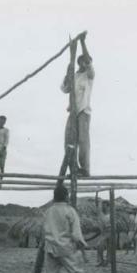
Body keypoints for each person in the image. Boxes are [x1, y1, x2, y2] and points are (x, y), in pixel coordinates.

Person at [42, 185, 88, 273]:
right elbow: (76, 234)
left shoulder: (48, 211)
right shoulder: (70, 211)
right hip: (66, 247)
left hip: (50, 247)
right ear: (67, 196)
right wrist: (82, 247)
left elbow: (44, 230)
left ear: (54, 196)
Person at [61, 32, 95, 177]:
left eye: (86, 62)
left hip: (83, 111)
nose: (85, 63)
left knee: (83, 141)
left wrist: (82, 42)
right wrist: (67, 75)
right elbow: (64, 89)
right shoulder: (74, 76)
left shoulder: (89, 75)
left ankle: (84, 169)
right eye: (82, 61)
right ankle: (73, 168)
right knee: (69, 140)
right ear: (78, 62)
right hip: (73, 112)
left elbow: (88, 60)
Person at [96, 200, 111, 266]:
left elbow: (113, 224)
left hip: (110, 232)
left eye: (104, 206)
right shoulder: (101, 214)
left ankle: (107, 261)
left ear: (108, 206)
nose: (102, 207)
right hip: (104, 233)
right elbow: (97, 206)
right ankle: (101, 260)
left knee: (109, 248)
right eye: (102, 205)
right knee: (99, 246)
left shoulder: (111, 215)